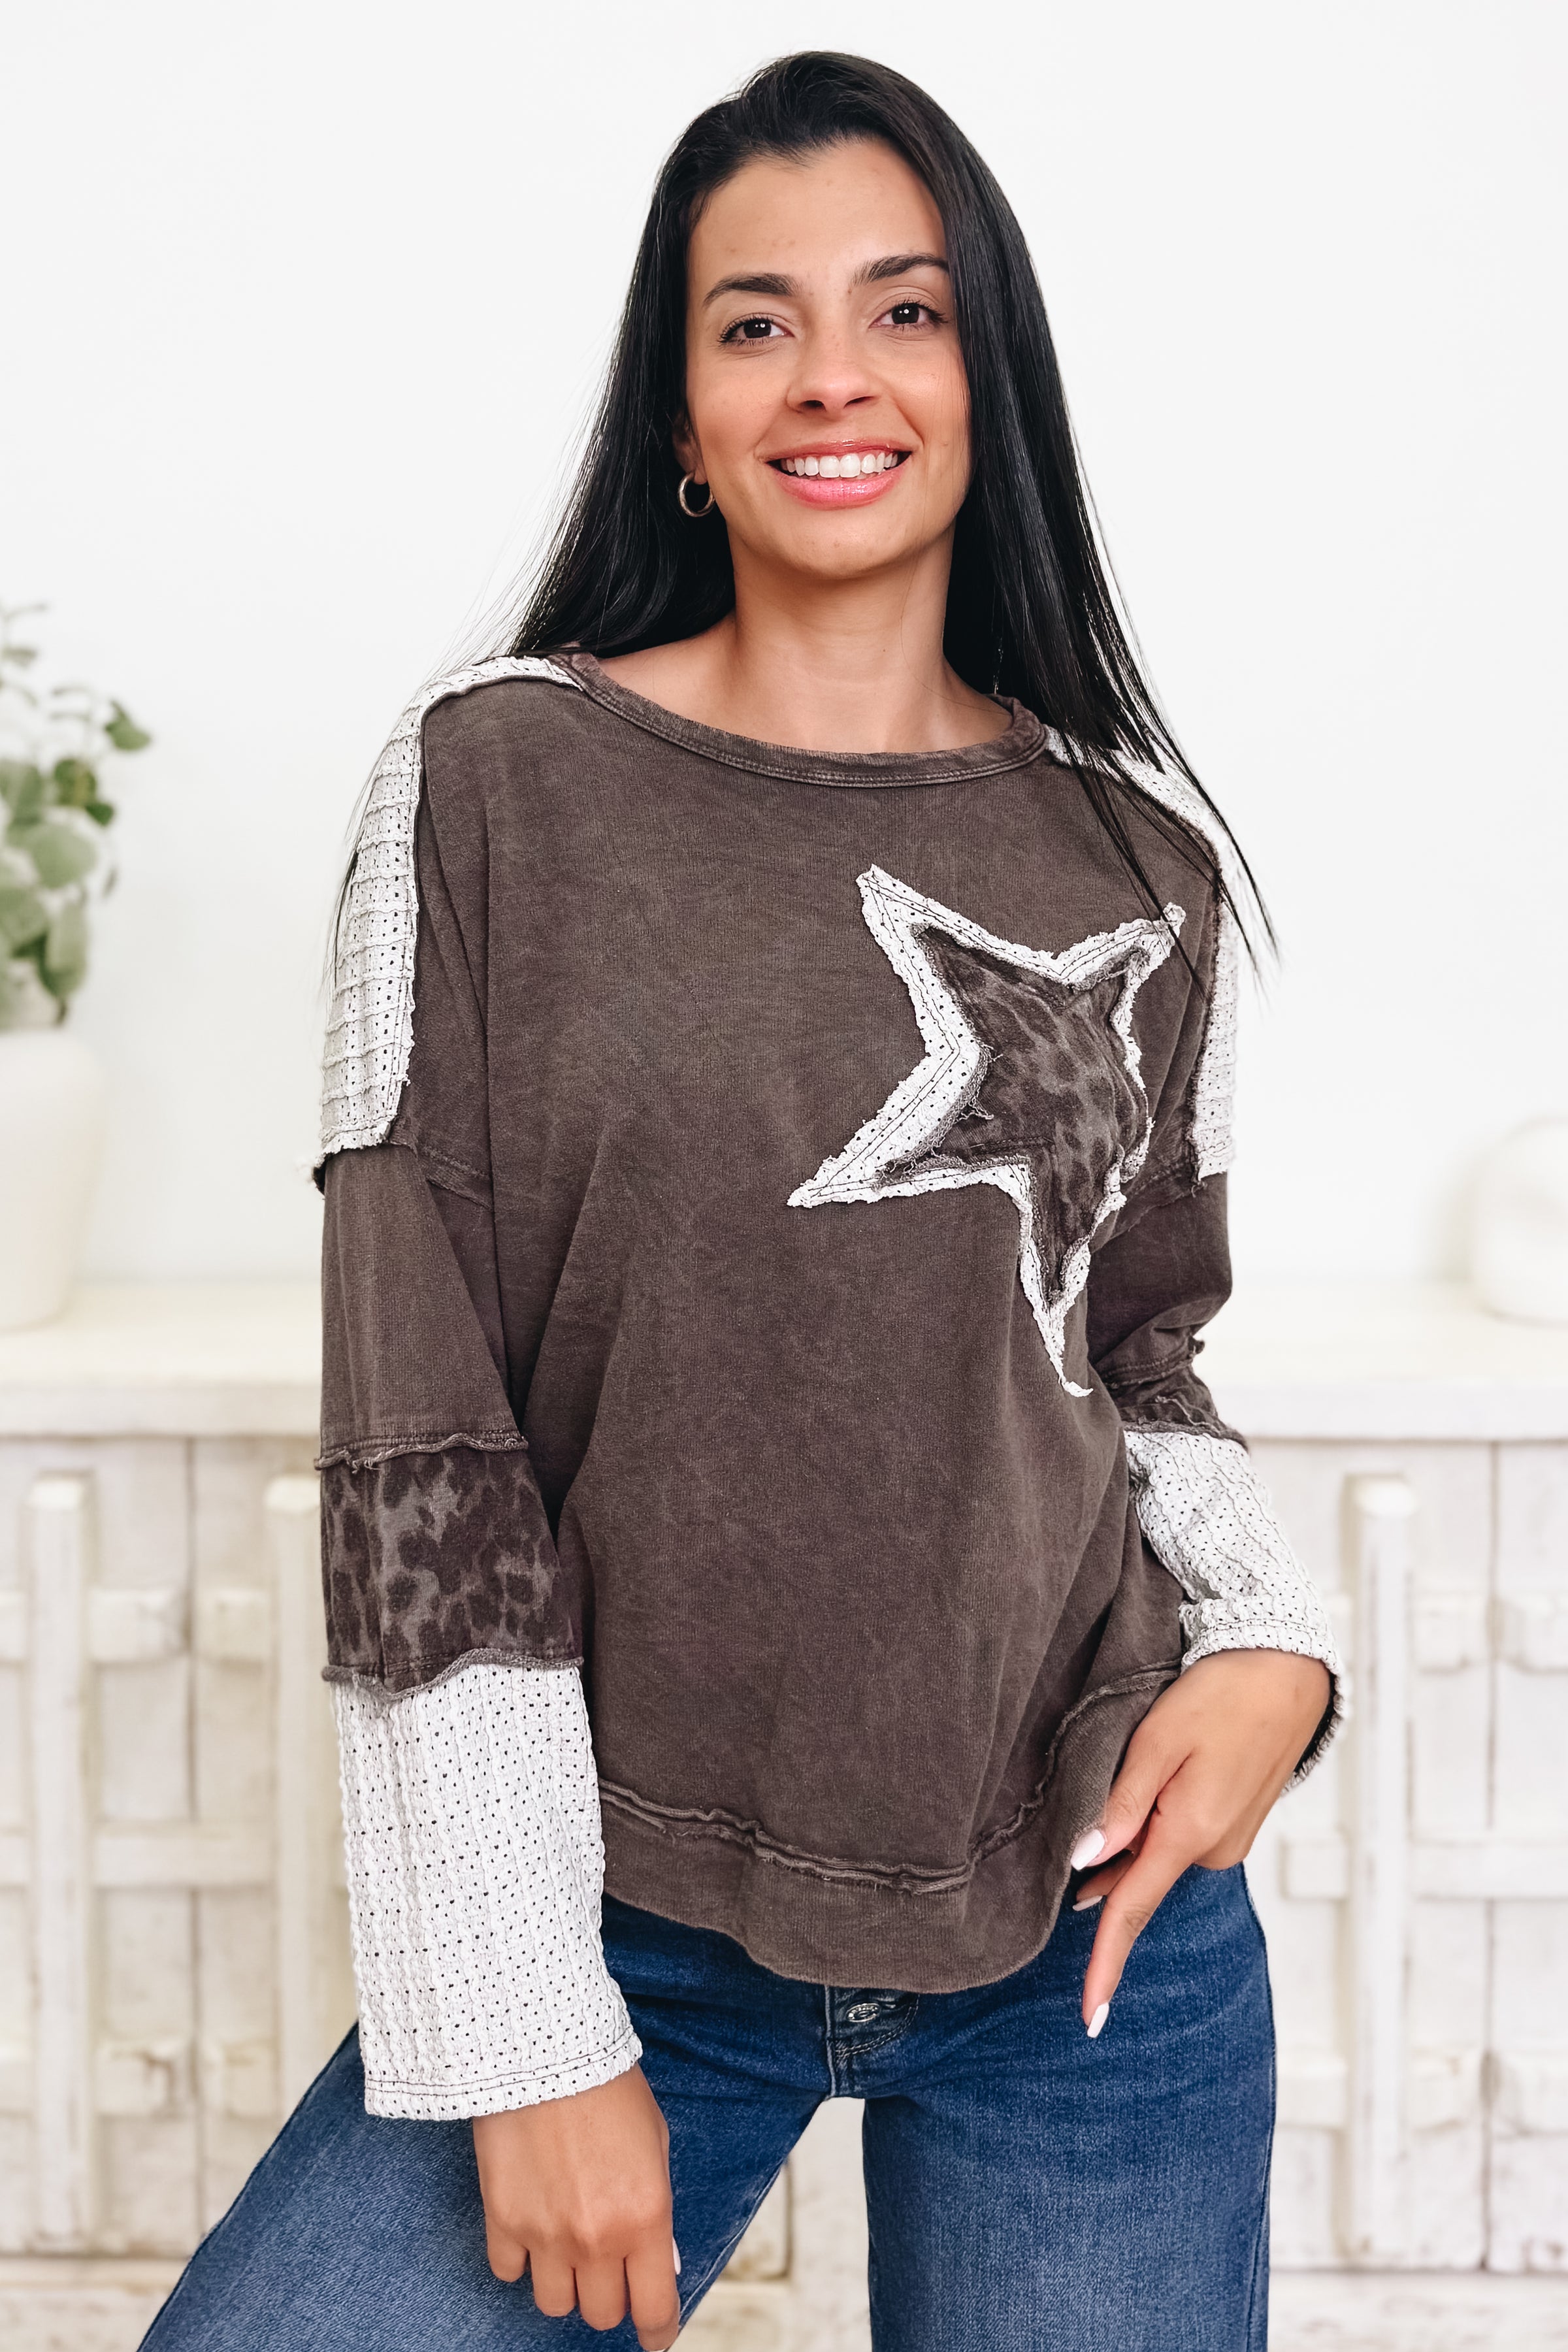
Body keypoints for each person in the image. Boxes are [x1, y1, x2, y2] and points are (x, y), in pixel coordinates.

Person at [145, 51, 1339, 2352]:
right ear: (684, 421)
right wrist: (528, 2028)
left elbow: (1138, 1359)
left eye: (905, 311)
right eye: (755, 322)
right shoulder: (493, 784)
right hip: (630, 1926)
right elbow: (425, 1446)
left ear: (989, 384)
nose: (832, 376)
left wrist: (1279, 1648)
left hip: (1094, 1925)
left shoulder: (1140, 865)